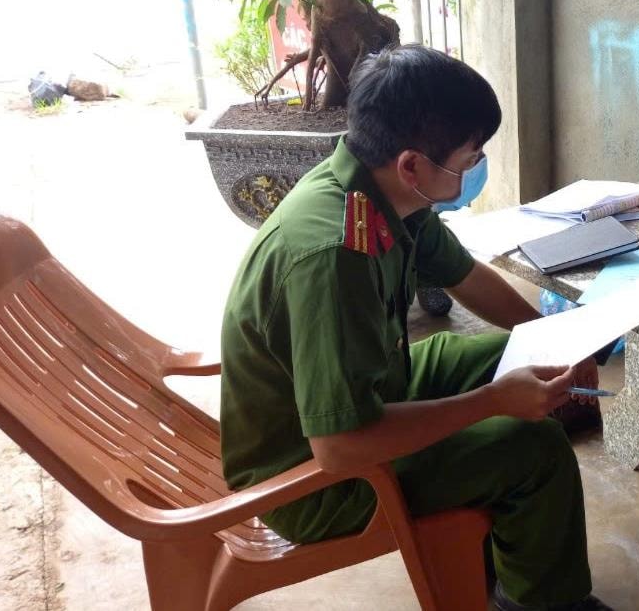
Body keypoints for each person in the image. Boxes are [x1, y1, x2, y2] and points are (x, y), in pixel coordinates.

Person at [218, 45, 609, 611]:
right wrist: (493, 402)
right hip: (308, 478)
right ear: (411, 163)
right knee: (531, 444)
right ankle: (541, 603)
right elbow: (341, 447)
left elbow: (464, 275)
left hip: (370, 389)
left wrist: (560, 337)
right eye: (469, 158)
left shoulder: (380, 192)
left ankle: (510, 561)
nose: (474, 168)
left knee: (514, 354)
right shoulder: (333, 255)